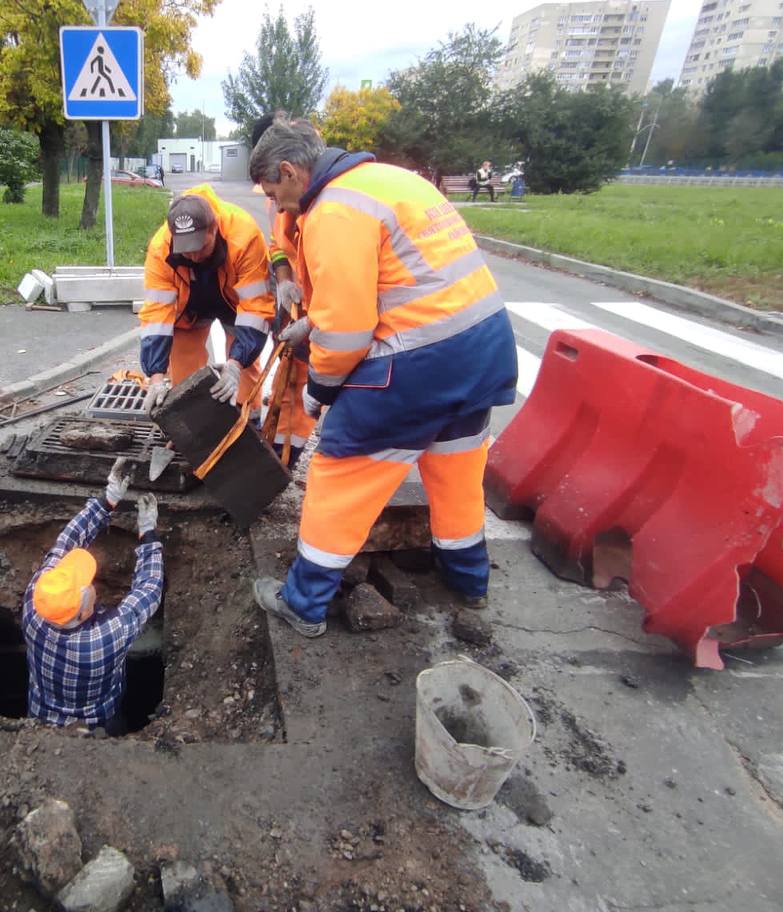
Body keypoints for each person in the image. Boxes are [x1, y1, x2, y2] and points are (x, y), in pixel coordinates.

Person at [247, 120, 517, 635]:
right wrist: (314, 318)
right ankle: (469, 581)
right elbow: (399, 281)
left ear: (289, 170)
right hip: (481, 349)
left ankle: (303, 604)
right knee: (457, 471)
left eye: (275, 193)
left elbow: (348, 332)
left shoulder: (332, 211)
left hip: (419, 364)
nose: (279, 207)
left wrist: (318, 390)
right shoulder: (390, 180)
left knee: (340, 474)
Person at [23, 459, 163, 735]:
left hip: (39, 717)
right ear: (83, 610)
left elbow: (65, 544)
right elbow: (149, 589)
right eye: (87, 584)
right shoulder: (105, 637)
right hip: (99, 723)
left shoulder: (33, 607)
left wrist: (107, 500)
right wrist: (147, 533)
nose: (92, 581)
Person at [138, 188, 275, 411]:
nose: (193, 256)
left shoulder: (244, 236)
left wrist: (235, 364)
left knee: (244, 370)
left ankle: (245, 423)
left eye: (200, 247)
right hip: (190, 304)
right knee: (183, 368)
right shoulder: (160, 248)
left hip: (235, 300)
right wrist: (155, 376)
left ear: (214, 228)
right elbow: (156, 315)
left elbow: (256, 309)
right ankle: (190, 426)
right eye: (186, 250)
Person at [249, 112, 317, 467]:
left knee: (302, 375)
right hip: (294, 293)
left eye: (273, 191)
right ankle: (274, 441)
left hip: (321, 300)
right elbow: (277, 240)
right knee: (284, 366)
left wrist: (313, 318)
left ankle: (286, 454)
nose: (272, 199)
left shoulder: (320, 199)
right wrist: (284, 276)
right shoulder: (280, 190)